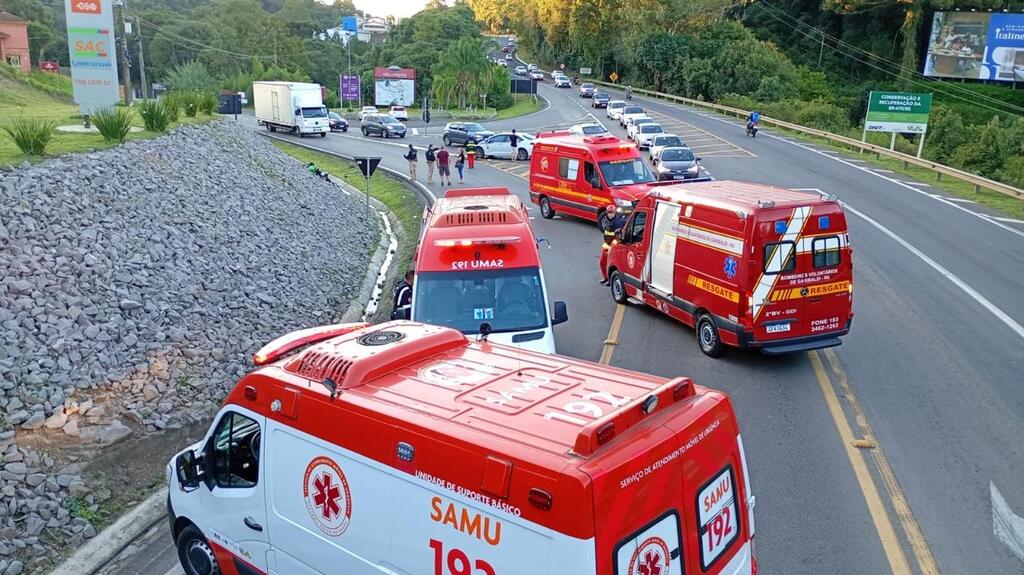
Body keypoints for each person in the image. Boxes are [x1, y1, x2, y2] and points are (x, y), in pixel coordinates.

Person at [600, 205, 628, 285]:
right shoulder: (606, 220)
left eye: (612, 212)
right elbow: (605, 231)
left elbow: (618, 237)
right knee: (602, 261)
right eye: (609, 212)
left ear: (615, 213)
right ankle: (605, 278)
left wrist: (611, 247)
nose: (610, 214)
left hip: (614, 244)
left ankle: (610, 280)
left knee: (611, 263)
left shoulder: (617, 222)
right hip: (607, 243)